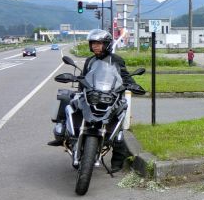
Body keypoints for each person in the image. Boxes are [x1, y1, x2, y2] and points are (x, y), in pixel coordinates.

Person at [48, 29, 143, 172]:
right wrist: (80, 89)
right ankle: (62, 132)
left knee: (118, 122)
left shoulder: (116, 60)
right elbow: (84, 78)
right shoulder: (90, 60)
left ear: (107, 44)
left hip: (110, 96)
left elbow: (124, 76)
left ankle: (117, 161)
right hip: (92, 94)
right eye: (93, 43)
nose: (95, 46)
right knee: (68, 99)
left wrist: (132, 84)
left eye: (98, 43)